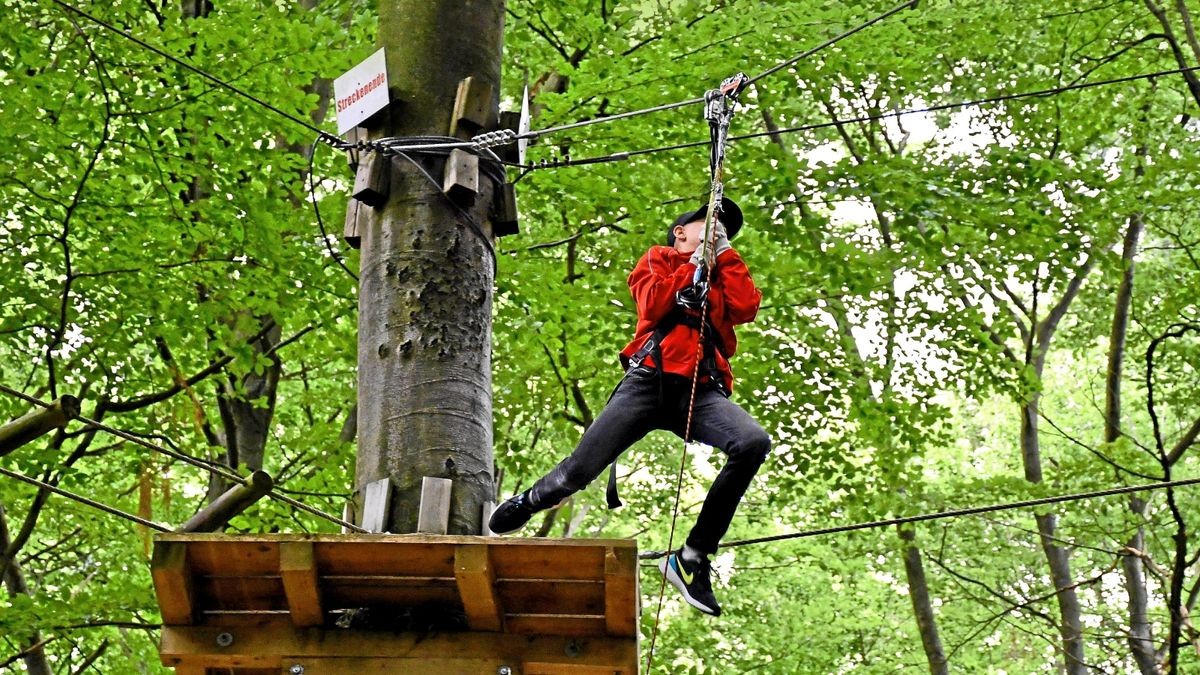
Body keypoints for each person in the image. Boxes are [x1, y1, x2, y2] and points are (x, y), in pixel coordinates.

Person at [489, 197, 770, 617]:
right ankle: (533, 499)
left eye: (724, 230)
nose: (717, 232)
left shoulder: (723, 274)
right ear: (681, 232)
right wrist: (691, 268)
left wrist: (723, 254)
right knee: (579, 471)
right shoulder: (658, 260)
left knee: (752, 442)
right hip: (648, 381)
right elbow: (653, 305)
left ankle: (692, 558)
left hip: (700, 389)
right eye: (709, 225)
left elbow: (746, 308)